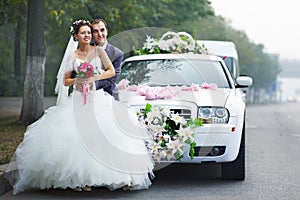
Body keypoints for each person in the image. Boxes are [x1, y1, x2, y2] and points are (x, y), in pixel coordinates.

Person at [9, 19, 154, 195]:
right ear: (76, 36)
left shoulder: (99, 51)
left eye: (88, 32)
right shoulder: (73, 56)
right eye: (83, 33)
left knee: (105, 134)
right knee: (74, 137)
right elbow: (66, 80)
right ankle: (76, 179)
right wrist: (79, 80)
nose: (87, 35)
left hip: (98, 98)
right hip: (79, 98)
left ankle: (113, 176)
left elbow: (110, 71)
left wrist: (93, 78)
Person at [91, 18, 124, 100]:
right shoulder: (85, 50)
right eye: (95, 31)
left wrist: (91, 85)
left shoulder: (117, 53)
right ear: (91, 34)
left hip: (109, 97)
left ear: (107, 32)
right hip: (87, 97)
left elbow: (112, 78)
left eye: (102, 30)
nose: (100, 34)